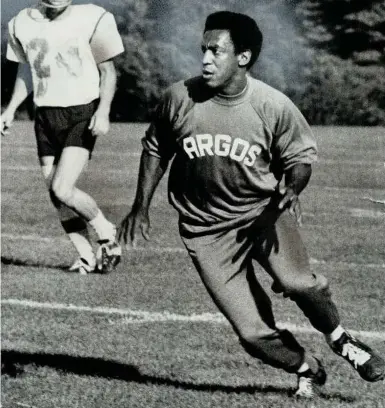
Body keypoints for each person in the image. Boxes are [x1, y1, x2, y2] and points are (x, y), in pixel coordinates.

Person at [119, 11, 385, 398]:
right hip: (205, 230)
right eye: (203, 50)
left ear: (243, 57)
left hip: (263, 214)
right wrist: (139, 206)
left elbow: (299, 160)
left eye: (216, 51)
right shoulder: (180, 97)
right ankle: (306, 366)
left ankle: (341, 339)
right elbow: (156, 148)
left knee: (298, 283)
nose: (206, 59)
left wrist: (293, 187)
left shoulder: (272, 105)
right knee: (252, 335)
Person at [1, 0, 123, 274]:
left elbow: (108, 71)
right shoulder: (22, 22)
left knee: (62, 188)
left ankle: (105, 229)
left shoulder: (92, 17)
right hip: (45, 115)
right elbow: (27, 70)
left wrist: (103, 112)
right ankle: (85, 256)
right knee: (56, 195)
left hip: (81, 111)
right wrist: (10, 109)